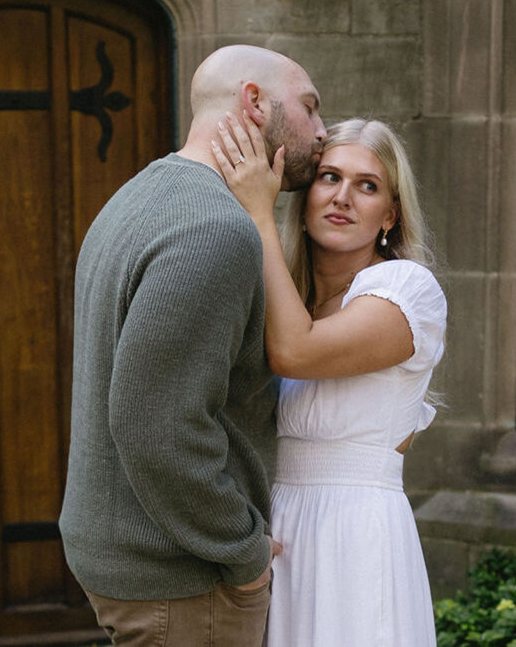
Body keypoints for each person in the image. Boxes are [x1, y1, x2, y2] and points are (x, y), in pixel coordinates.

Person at [58, 45, 326, 646]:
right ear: (254, 102)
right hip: (183, 580)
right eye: (310, 108)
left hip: (134, 557)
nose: (322, 132)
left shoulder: (134, 198)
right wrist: (244, 551)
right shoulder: (215, 229)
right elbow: (158, 426)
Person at [212, 114, 446, 646]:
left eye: (368, 186)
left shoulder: (408, 290)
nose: (343, 197)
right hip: (278, 530)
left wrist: (258, 214)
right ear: (308, 192)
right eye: (329, 177)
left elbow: (298, 352)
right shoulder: (284, 297)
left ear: (390, 213)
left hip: (355, 532)